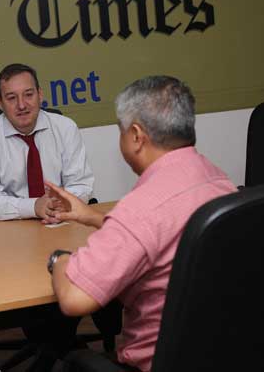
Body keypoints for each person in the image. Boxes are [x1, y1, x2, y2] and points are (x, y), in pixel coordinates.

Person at [45, 76, 237, 372]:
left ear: (136, 135)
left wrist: (59, 259)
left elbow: (74, 300)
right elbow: (172, 229)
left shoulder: (140, 208)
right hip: (222, 352)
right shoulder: (217, 179)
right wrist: (92, 217)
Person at [0, 63, 94, 221]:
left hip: (62, 220)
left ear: (40, 95)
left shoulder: (65, 128)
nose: (22, 105)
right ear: (0, 103)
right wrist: (34, 206)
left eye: (28, 95)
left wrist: (61, 203)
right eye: (11, 98)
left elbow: (82, 185)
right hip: (13, 230)